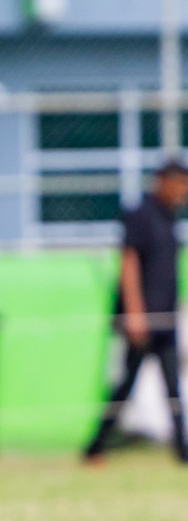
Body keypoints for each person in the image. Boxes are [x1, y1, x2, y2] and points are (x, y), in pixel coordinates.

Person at [84, 160, 188, 465]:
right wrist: (135, 313)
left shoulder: (170, 217)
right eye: (180, 183)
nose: (183, 191)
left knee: (172, 386)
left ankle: (182, 450)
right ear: (163, 182)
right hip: (143, 318)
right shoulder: (140, 214)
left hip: (165, 318)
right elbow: (128, 262)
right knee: (125, 386)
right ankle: (96, 447)